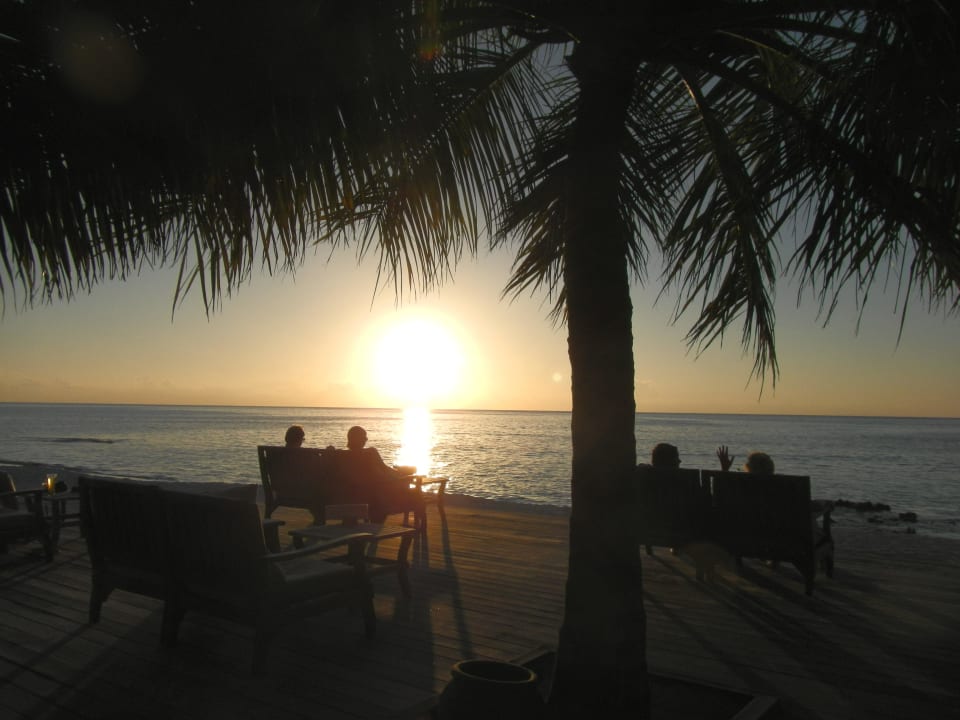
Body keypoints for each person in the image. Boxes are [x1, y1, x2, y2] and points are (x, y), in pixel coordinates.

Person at [338, 426, 422, 524]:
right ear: (358, 439)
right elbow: (383, 472)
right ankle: (417, 528)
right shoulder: (370, 453)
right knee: (417, 496)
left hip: (352, 497)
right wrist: (401, 476)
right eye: (364, 436)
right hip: (375, 499)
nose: (366, 439)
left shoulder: (341, 456)